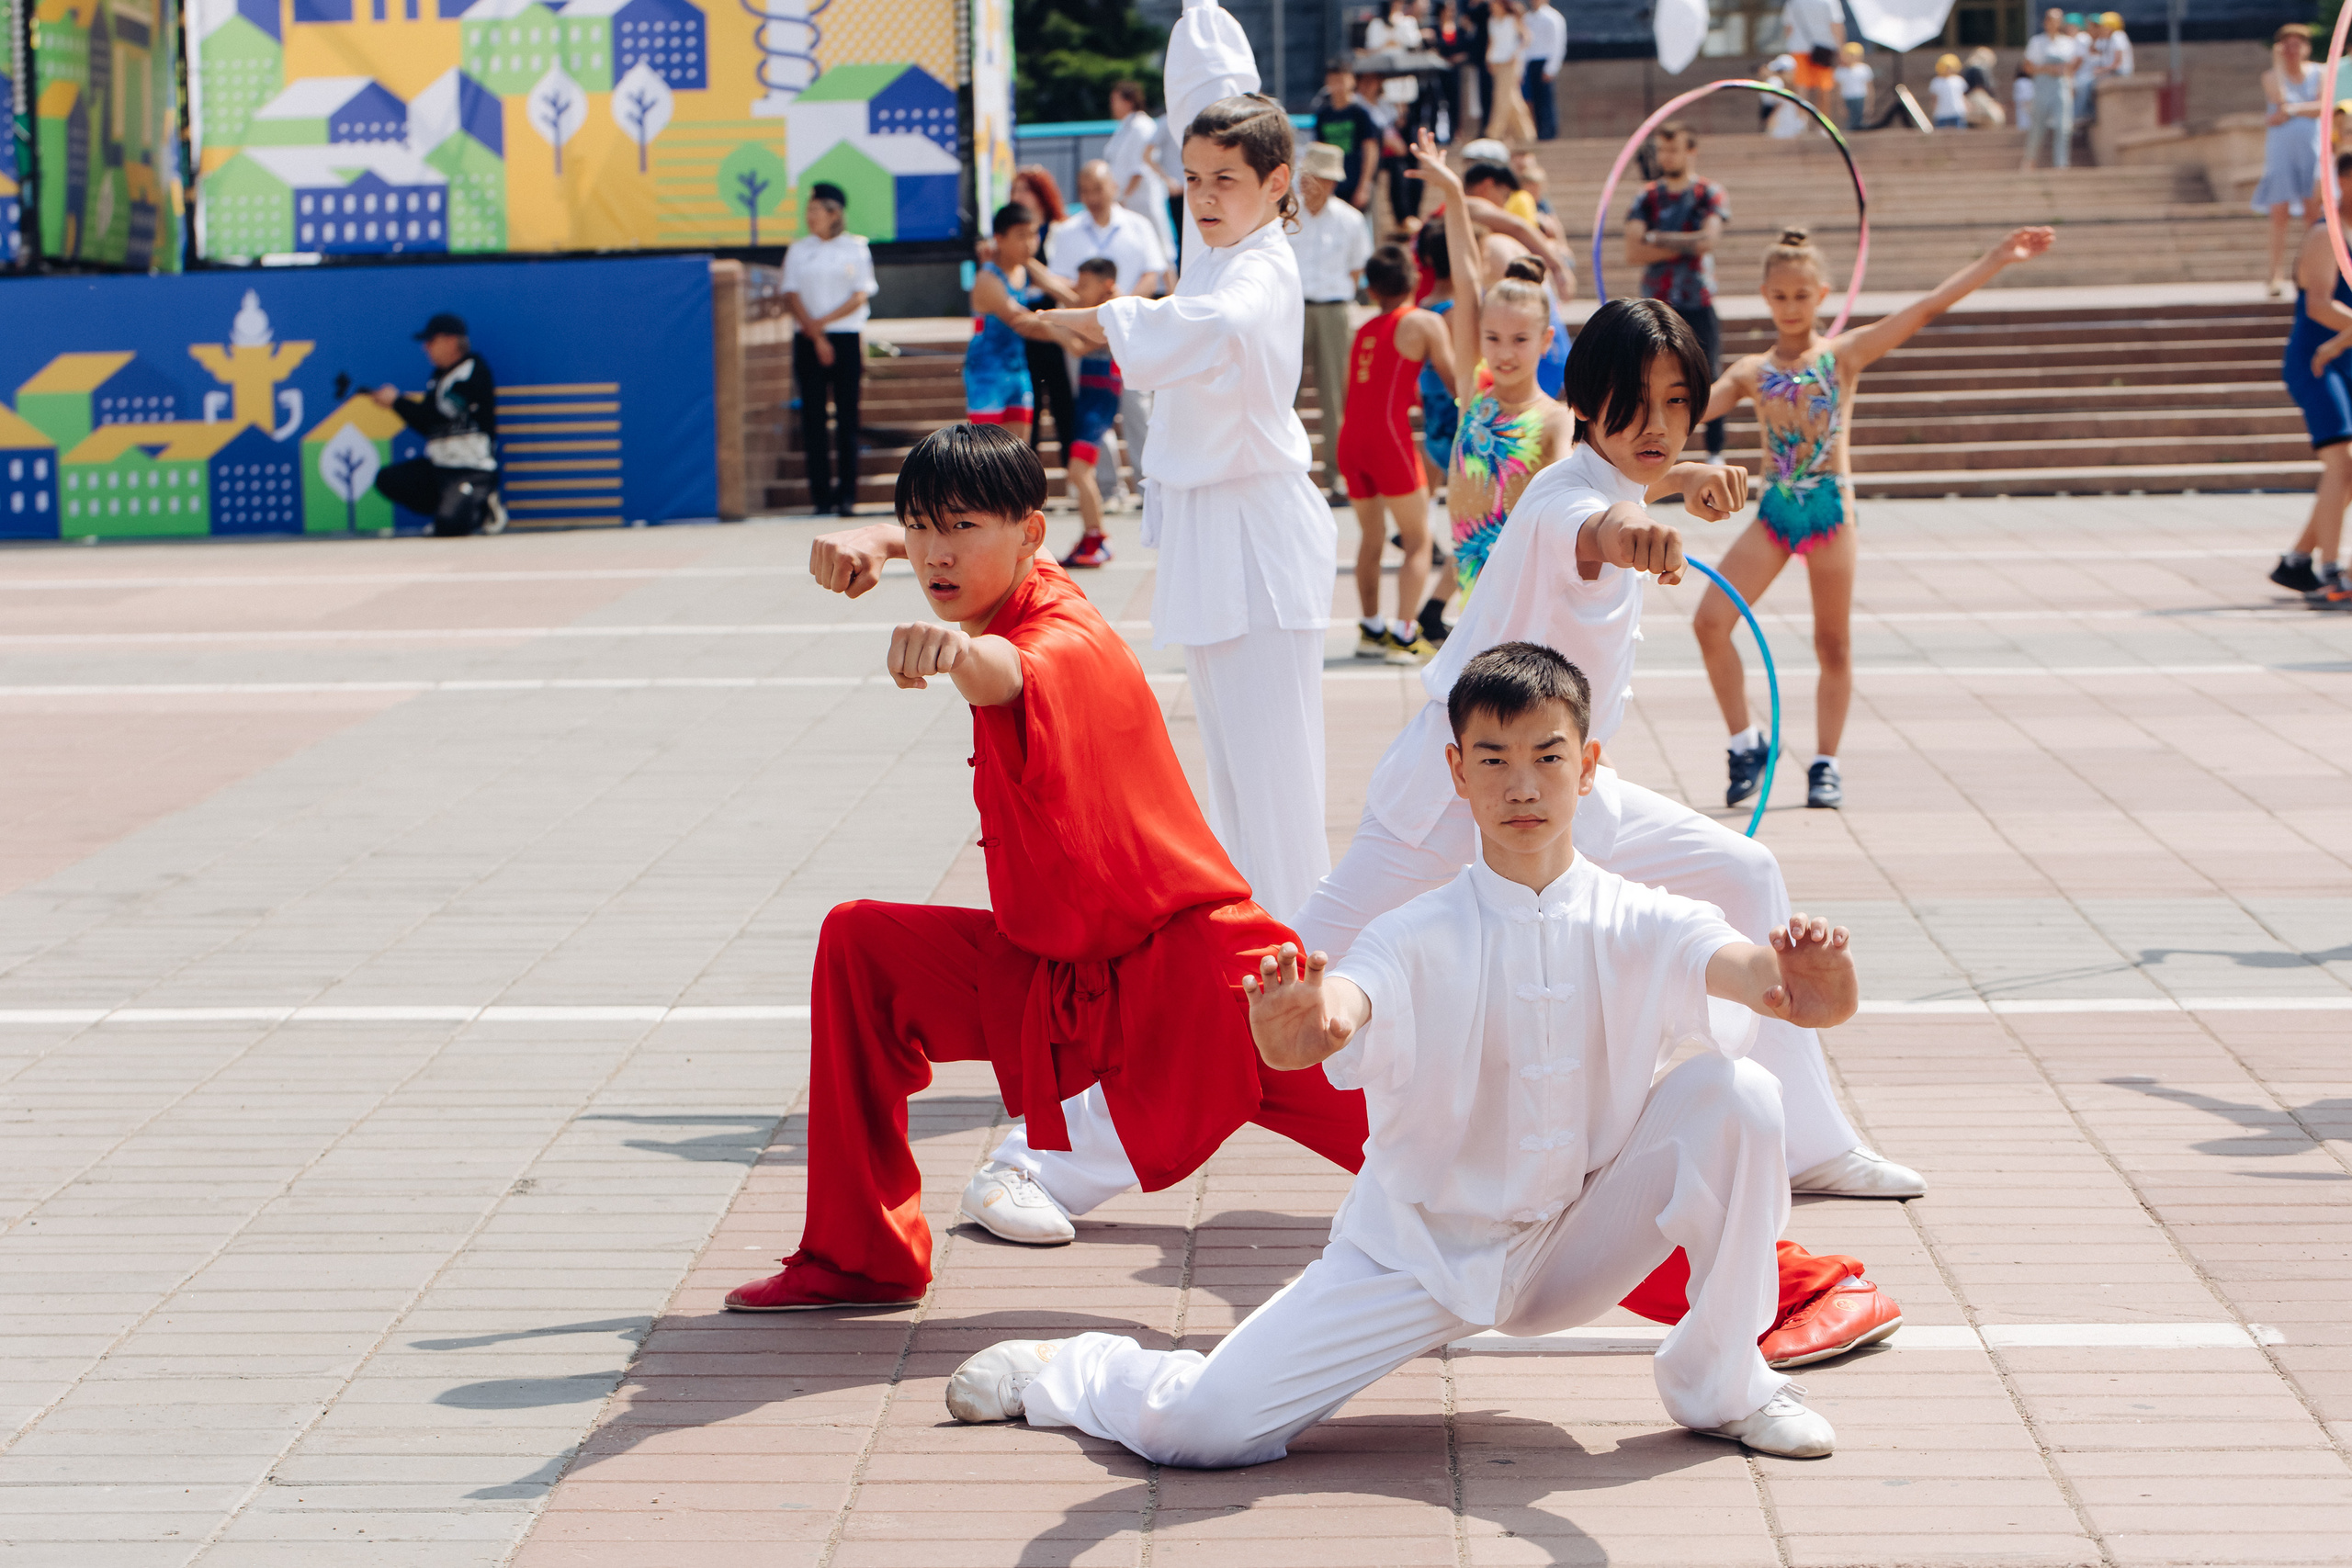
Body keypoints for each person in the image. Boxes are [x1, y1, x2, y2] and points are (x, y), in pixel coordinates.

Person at [945, 642, 1864, 1464]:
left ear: (1587, 768)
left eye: (1547, 758)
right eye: (1494, 761)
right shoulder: (1416, 930)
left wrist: (1807, 981)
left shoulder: (1641, 915)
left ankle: (1724, 1386)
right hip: (1421, 1252)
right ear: (1456, 773)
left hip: (1576, 1241)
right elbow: (1337, 1011)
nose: (1521, 786)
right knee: (1204, 1430)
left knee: (1738, 1095)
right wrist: (1300, 1022)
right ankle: (1072, 1374)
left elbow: (1758, 978)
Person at [1301, 147, 1931, 1215]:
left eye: (1677, 402)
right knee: (1288, 979)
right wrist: (1645, 533)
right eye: (1633, 402)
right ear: (1584, 399)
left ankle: (1806, 1142)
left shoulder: (1604, 467)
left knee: (1743, 872)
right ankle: (1069, 1143)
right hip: (1444, 802)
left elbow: (1636, 480)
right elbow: (1599, 525)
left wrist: (1679, 478)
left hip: (1563, 793)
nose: (1656, 422)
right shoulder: (1569, 505)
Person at [728, 424, 1366, 1311]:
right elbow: (961, 558)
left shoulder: (1060, 641)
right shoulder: (1018, 576)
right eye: (920, 529)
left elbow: (1009, 672)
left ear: (1031, 534)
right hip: (1057, 974)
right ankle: (861, 1256)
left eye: (959, 530)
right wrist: (882, 537)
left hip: (1213, 989)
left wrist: (953, 652)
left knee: (1464, 1172)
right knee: (860, 946)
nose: (935, 556)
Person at [1036, 24, 1340, 930]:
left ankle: (1304, 972)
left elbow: (1219, 324)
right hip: (1218, 528)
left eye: (1225, 180)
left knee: (1276, 783)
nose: (1203, 198)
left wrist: (1102, 320)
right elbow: (1208, 101)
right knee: (1236, 780)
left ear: (1277, 181)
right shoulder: (1220, 246)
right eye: (1192, 178)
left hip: (1254, 532)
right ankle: (1260, 966)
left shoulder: (1258, 269)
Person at [1698, 224, 2054, 812]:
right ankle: (1745, 743)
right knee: (1711, 620)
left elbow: (1926, 308)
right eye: (1780, 296)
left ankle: (1825, 763)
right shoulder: (1750, 372)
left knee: (1832, 643)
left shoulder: (1843, 356)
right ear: (1765, 296)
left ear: (1823, 294)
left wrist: (1997, 256)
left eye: (1802, 295)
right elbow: (1688, 409)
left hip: (1831, 512)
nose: (1791, 307)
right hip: (1777, 511)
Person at [1340, 243, 1457, 665]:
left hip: (1351, 440)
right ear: (1412, 278)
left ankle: (1371, 629)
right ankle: (1405, 633)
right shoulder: (1424, 322)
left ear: (1371, 288)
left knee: (1370, 538)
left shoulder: (1364, 330)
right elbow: (1454, 383)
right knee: (1418, 539)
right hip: (1389, 438)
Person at [1047, 159, 1171, 516]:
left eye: (1098, 189)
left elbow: (1154, 273)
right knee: (1092, 415)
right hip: (1086, 337)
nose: (1092, 197)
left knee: (1139, 411)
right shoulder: (1068, 231)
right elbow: (1060, 281)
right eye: (1085, 190)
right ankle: (1107, 488)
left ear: (1114, 187)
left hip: (1132, 333)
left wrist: (1122, 305)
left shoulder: (1137, 226)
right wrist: (1086, 304)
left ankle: (1152, 490)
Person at [1623, 121, 1730, 458]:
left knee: (1709, 373)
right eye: (1662, 150)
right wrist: (1688, 244)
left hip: (1697, 299)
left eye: (1673, 149)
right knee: (1650, 377)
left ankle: (1715, 453)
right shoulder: (1648, 195)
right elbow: (1633, 251)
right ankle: (1655, 449)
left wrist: (1656, 238)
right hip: (1657, 305)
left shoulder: (1708, 193)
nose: (1666, 156)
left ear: (1690, 151)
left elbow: (1709, 241)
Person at [2273, 149, 2352, 600]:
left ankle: (2298, 561)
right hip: (2315, 359)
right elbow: (2319, 305)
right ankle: (2328, 571)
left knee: (2348, 470)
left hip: (2342, 354)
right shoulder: (2327, 236)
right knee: (2340, 462)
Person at [781, 183, 877, 519]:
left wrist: (822, 326)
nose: (811, 218)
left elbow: (860, 294)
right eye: (808, 211)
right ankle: (820, 496)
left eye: (817, 211)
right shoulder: (798, 250)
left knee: (848, 418)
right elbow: (791, 294)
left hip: (845, 336)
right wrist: (815, 333)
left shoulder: (855, 248)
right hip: (808, 338)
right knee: (813, 419)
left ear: (835, 213)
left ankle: (847, 495)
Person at [1290, 141, 1376, 502]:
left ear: (1332, 182)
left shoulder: (1350, 219)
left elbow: (1358, 270)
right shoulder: (1286, 216)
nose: (1312, 184)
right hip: (1292, 308)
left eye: (1321, 178)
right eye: (1309, 176)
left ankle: (1335, 476)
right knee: (1284, 392)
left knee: (1334, 397)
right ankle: (1287, 472)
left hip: (1333, 307)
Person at [372, 311, 504, 537]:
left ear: (451, 341)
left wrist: (397, 402)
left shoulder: (473, 371)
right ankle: (452, 506)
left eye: (431, 341)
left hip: (471, 469)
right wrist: (394, 405)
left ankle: (482, 507)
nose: (426, 348)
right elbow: (428, 426)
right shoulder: (438, 378)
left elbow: (442, 414)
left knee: (448, 529)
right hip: (439, 469)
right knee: (388, 479)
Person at [963, 203, 1062, 441]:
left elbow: (1064, 290)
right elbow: (1020, 321)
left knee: (1020, 451)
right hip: (987, 375)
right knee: (986, 455)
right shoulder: (987, 278)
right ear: (999, 238)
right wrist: (1072, 335)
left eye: (1033, 234)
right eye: (1021, 236)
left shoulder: (1023, 268)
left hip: (1018, 371)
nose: (1030, 243)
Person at [1057, 260, 1129, 570]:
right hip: (1091, 396)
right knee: (1080, 471)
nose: (1078, 290)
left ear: (1106, 284)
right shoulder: (1101, 306)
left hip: (1099, 399)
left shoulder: (1112, 310)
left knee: (1079, 471)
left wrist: (1052, 328)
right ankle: (1091, 535)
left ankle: (1098, 538)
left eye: (1084, 284)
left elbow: (1078, 347)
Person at [2257, 24, 2326, 298]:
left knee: (2313, 215)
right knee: (2279, 215)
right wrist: (2278, 62)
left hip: (2311, 151)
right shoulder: (2272, 75)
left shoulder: (2319, 72)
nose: (2292, 49)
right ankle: (2275, 274)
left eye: (2297, 43)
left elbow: (2322, 106)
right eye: (2286, 44)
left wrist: (2293, 111)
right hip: (2281, 153)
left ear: (2307, 47)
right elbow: (2280, 99)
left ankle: (2311, 273)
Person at [1105, 80, 1177, 261]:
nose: (1111, 106)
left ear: (1128, 101)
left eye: (1115, 100)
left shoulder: (1142, 126)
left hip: (1142, 201)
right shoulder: (1125, 128)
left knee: (1160, 248)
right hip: (1127, 202)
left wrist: (1124, 198)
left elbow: (1140, 168)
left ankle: (1171, 288)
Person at [1311, 61, 1385, 210]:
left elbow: (1370, 150)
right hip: (1331, 184)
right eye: (1333, 80)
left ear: (1352, 81)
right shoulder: (1323, 115)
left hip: (1355, 181)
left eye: (1342, 80)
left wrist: (1365, 185)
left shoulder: (1360, 113)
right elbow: (1318, 149)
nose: (1338, 85)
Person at [2020, 6, 2081, 170]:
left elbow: (2070, 67)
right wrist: (2047, 69)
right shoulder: (2037, 42)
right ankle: (2029, 161)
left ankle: (2061, 163)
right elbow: (2027, 67)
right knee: (2038, 126)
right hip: (2042, 85)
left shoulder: (2067, 43)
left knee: (2063, 126)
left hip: (2061, 85)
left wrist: (2069, 82)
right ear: (2045, 22)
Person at [1781, 0, 1846, 123]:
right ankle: (1823, 125)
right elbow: (1836, 25)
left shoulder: (1794, 2)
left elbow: (1788, 27)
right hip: (1825, 47)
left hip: (1798, 47)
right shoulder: (1830, 2)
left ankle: (1801, 122)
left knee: (1801, 87)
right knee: (1823, 88)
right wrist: (1840, 49)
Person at [1481, 0, 1534, 143]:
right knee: (1511, 97)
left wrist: (1515, 53)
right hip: (1497, 63)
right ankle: (1526, 133)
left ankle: (1494, 131)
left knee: (1502, 96)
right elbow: (1492, 42)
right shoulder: (1491, 21)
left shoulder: (1512, 19)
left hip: (1510, 64)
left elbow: (1527, 38)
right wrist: (1488, 59)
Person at [1521, 0, 1564, 141]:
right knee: (1533, 100)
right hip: (1530, 63)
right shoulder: (1527, 18)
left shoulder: (1553, 17)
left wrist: (1551, 68)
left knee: (1545, 100)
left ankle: (1549, 132)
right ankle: (1538, 132)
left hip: (1544, 62)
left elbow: (1558, 44)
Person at [1834, 41, 1873, 132]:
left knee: (1861, 123)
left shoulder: (1864, 69)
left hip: (1860, 98)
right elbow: (1838, 90)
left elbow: (1869, 88)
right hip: (1847, 99)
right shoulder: (1840, 71)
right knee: (1850, 124)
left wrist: (1869, 104)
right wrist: (1840, 105)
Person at [1929, 52, 1970, 130]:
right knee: (1940, 136)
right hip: (1941, 113)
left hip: (1957, 111)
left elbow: (1962, 96)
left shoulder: (1958, 80)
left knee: (1960, 135)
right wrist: (1934, 110)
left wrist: (1967, 106)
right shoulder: (1936, 81)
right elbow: (1934, 98)